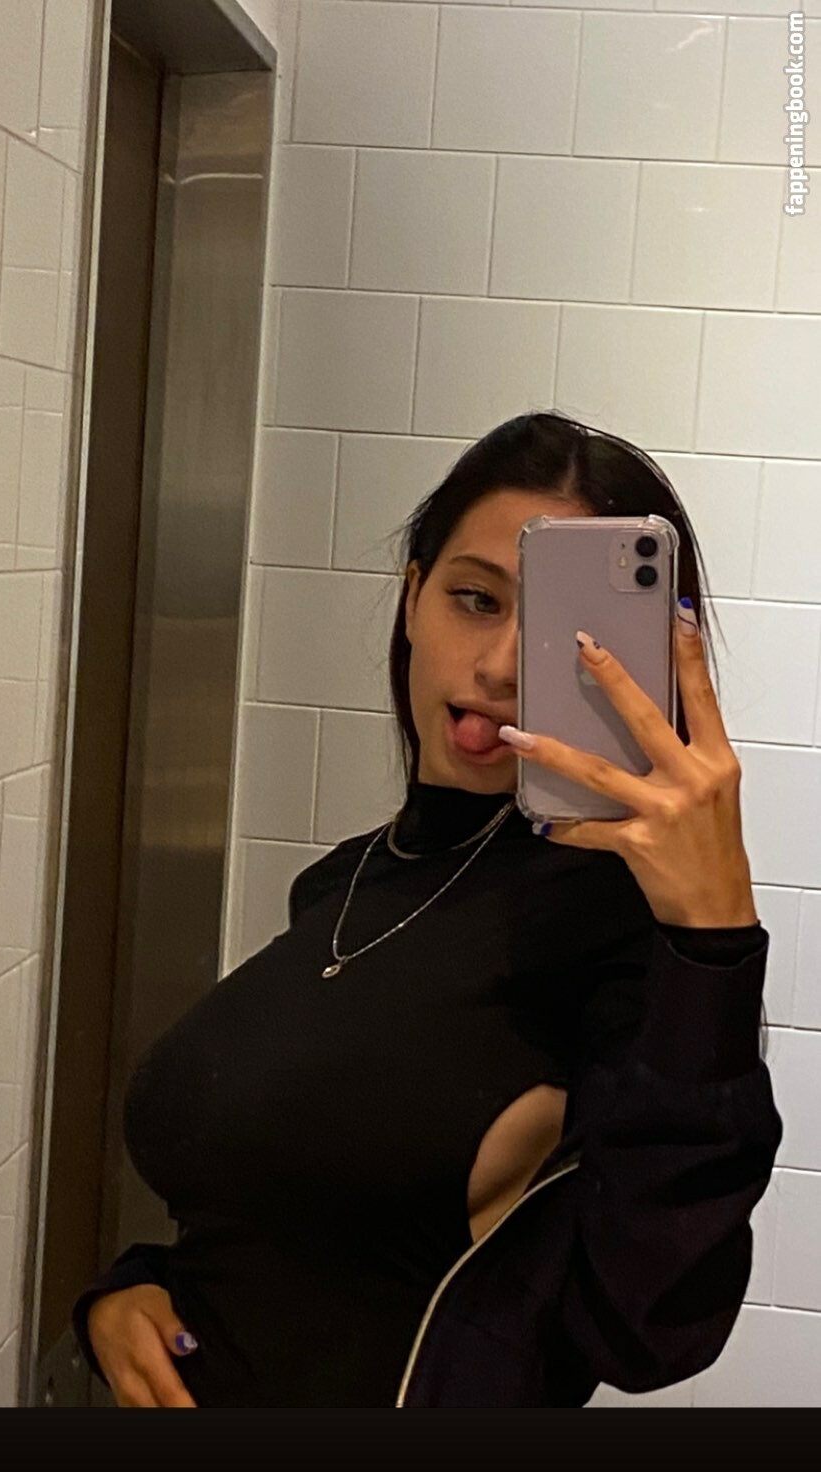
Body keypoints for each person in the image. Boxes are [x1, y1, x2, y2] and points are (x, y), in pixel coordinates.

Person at [72, 412, 782, 1408]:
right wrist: (132, 1290)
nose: (500, 665)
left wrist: (713, 937)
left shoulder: (625, 931)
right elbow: (288, 1219)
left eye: (568, 633)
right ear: (412, 599)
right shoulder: (342, 883)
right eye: (474, 598)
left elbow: (651, 1326)